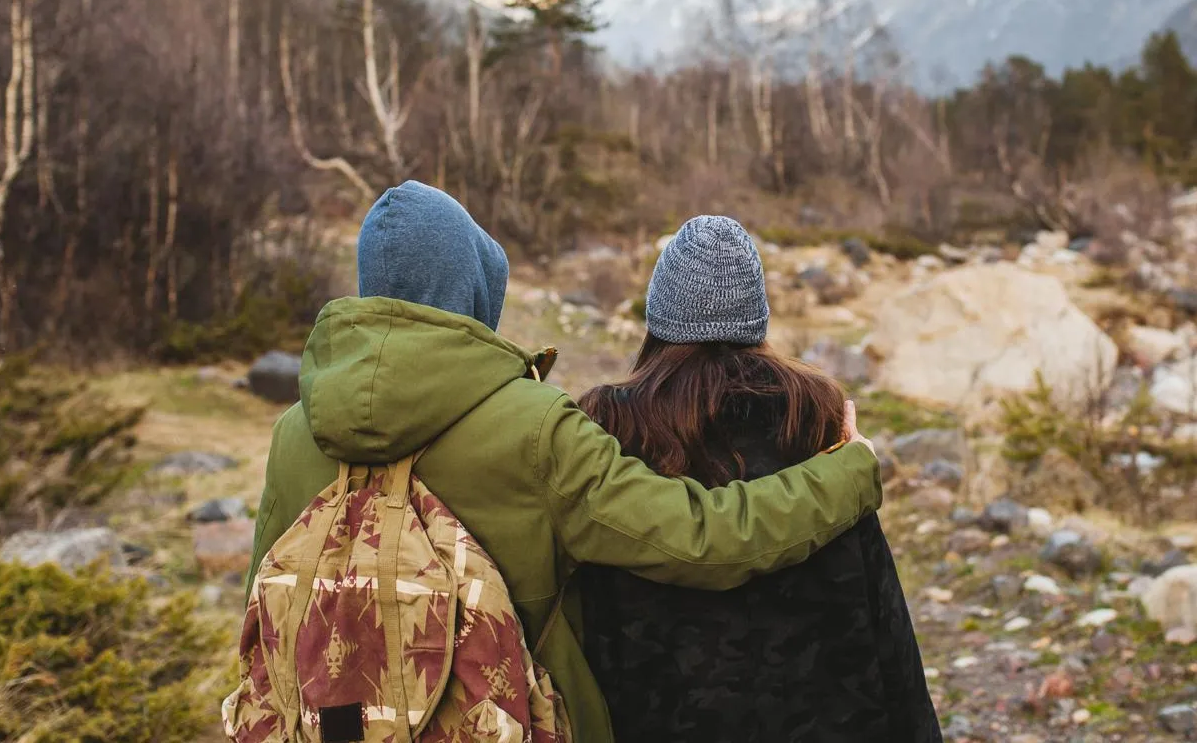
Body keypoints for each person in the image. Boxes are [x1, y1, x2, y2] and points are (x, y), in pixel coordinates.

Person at [245, 183, 882, 743]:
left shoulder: (294, 435)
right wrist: (847, 471)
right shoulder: (535, 427)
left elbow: (259, 616)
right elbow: (704, 539)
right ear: (471, 286)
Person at [577, 215, 941, 743]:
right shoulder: (815, 419)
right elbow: (883, 614)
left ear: (658, 317)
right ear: (757, 318)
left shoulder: (609, 429)